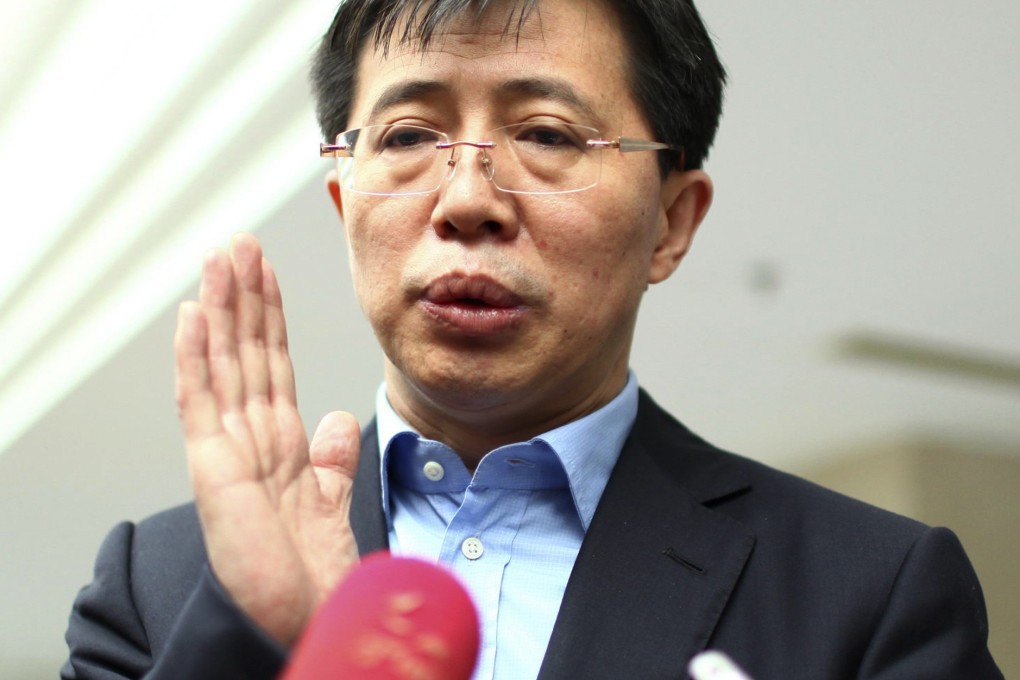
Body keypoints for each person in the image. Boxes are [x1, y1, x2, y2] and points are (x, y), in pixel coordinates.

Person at [63, 0, 1003, 678]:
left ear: (672, 223)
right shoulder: (159, 585)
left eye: (549, 133)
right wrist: (248, 639)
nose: (467, 200)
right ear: (344, 201)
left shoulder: (873, 593)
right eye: (407, 135)